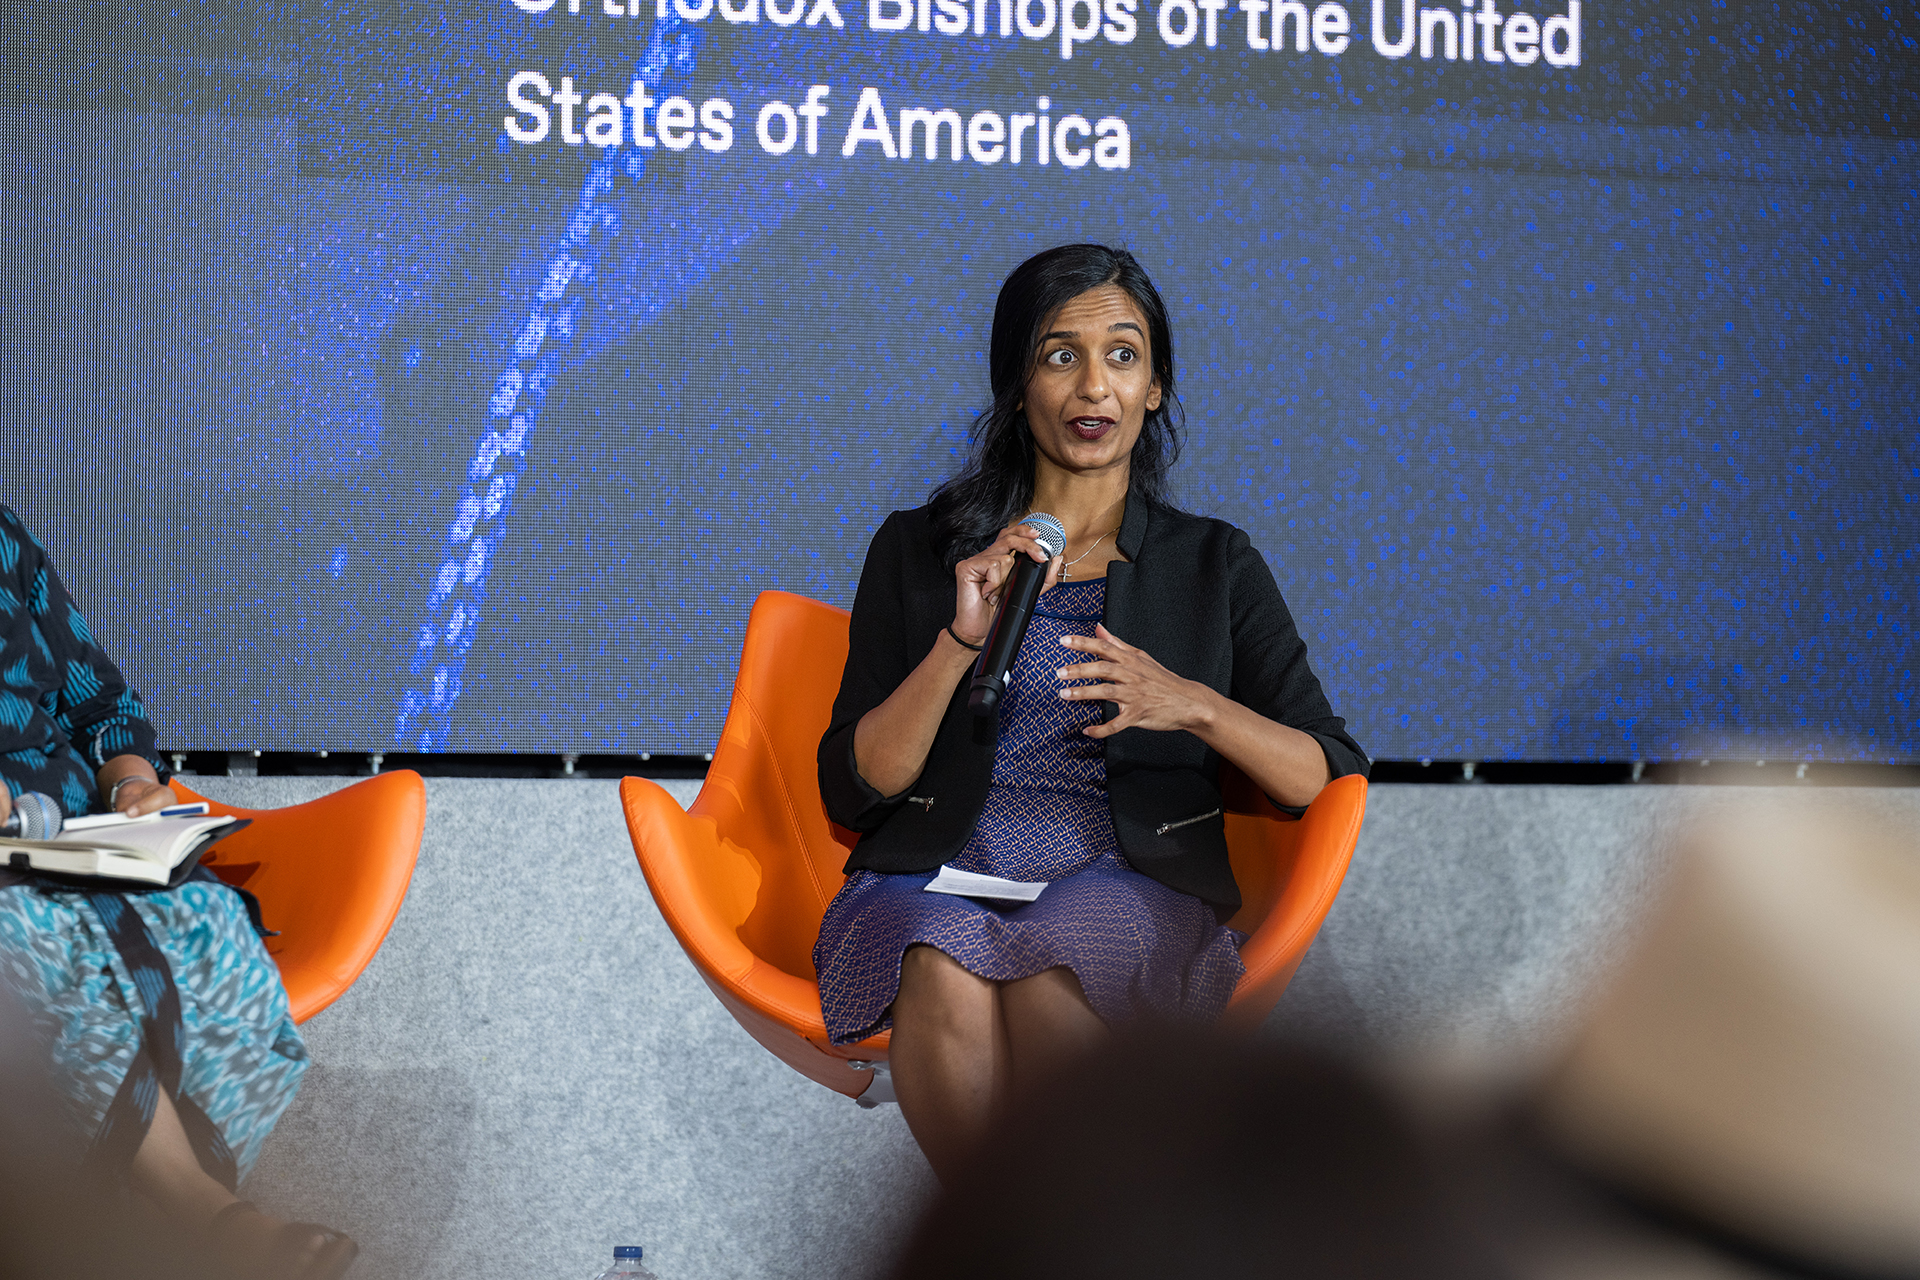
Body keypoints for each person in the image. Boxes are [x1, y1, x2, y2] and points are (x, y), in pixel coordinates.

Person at [814, 243, 1369, 1181]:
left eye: (1122, 353)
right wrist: (959, 641)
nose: (1093, 385)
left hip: (1122, 874)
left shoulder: (1212, 563)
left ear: (1154, 387)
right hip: (942, 870)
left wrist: (1189, 704)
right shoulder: (920, 550)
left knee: (1063, 951)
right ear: (1017, 383)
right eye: (1059, 354)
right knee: (937, 955)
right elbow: (858, 782)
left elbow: (1322, 770)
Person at [0, 505, 356, 1279]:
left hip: (76, 843)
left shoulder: (3, 536)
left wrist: (133, 786)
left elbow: (99, 705)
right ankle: (203, 1217)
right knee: (30, 952)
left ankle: (144, 1232)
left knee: (205, 922)